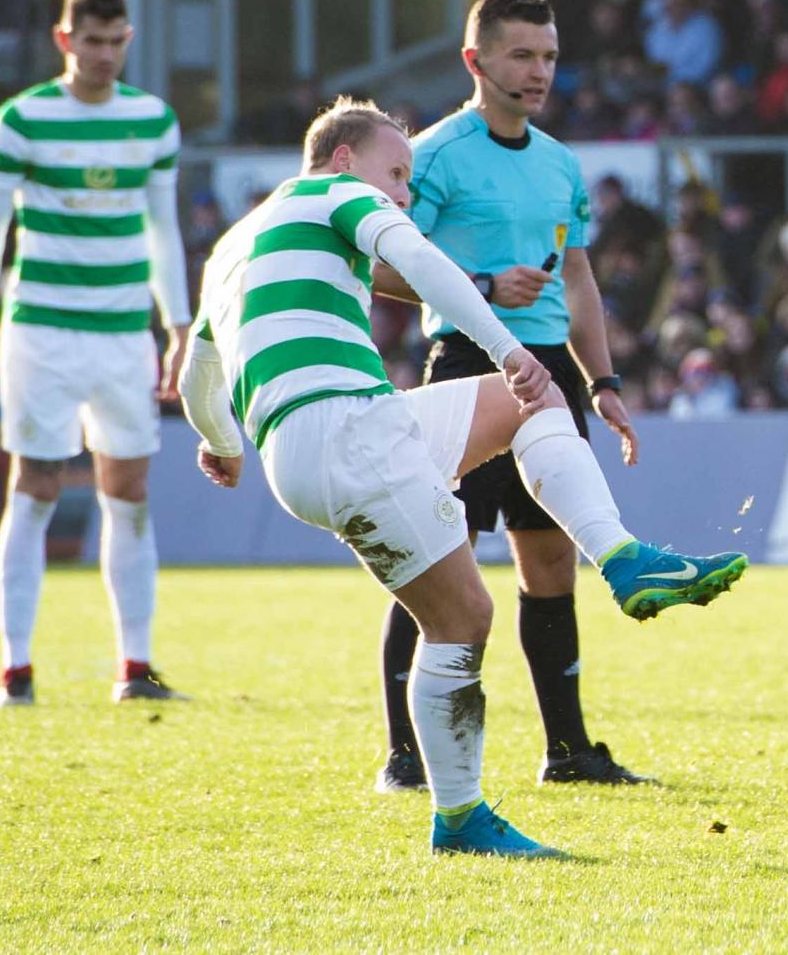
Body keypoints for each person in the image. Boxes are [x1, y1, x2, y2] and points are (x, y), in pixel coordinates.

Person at [182, 98, 745, 857]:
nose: (405, 194)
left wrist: (221, 441)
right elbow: (418, 261)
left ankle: (622, 559)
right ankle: (459, 818)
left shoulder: (230, 247)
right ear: (345, 159)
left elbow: (194, 374)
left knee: (529, 410)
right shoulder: (340, 193)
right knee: (462, 620)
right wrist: (506, 346)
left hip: (305, 445)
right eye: (398, 174)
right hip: (349, 428)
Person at [366, 0, 655, 794]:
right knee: (433, 560)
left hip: (551, 378)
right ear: (476, 62)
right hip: (465, 364)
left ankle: (568, 752)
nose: (539, 72)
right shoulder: (430, 156)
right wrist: (485, 285)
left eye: (550, 56)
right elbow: (383, 262)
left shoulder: (561, 163)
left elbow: (579, 278)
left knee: (551, 559)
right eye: (522, 55)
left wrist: (601, 380)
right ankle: (405, 757)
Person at [0, 0, 195, 709]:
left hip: (125, 334)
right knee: (35, 486)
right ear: (65, 41)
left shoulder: (153, 121)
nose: (105, 55)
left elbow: (163, 229)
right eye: (91, 41)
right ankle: (16, 671)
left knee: (130, 491)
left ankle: (135, 668)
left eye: (117, 41)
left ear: (129, 39)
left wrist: (178, 325)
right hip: (41, 330)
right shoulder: (23, 120)